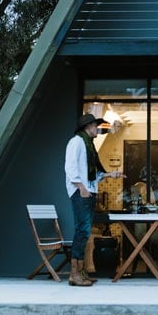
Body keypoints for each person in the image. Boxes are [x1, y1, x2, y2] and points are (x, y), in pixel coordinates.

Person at [64, 113, 124, 286]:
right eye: (95, 125)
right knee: (82, 231)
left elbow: (93, 175)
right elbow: (70, 167)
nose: (97, 128)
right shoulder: (76, 142)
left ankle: (80, 272)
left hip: (89, 191)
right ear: (87, 127)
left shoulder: (89, 145)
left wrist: (111, 174)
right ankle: (74, 273)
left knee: (85, 232)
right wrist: (81, 188)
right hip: (81, 192)